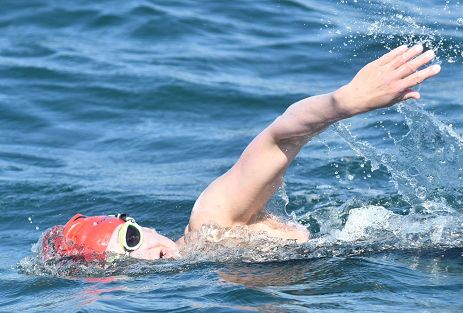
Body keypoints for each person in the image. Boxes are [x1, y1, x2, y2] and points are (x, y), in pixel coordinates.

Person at [42, 45, 441, 262]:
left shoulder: (210, 222)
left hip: (431, 252)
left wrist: (344, 102)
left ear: (141, 226)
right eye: (125, 263)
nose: (143, 255)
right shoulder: (197, 281)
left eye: (131, 239)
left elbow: (276, 139)